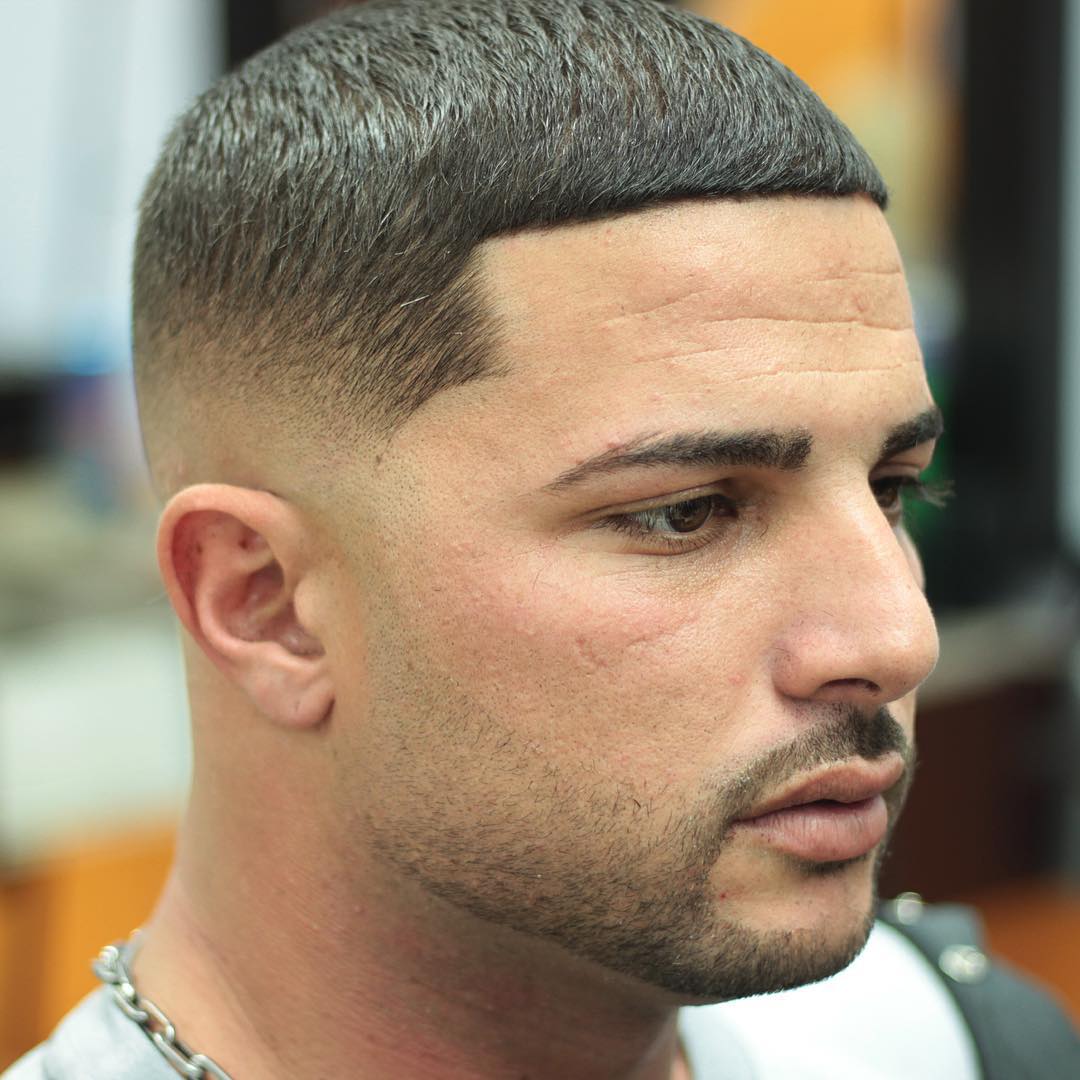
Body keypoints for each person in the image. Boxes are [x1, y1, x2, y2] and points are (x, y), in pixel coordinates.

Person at [7, 1, 1078, 1077]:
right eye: (685, 513)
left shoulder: (956, 1045)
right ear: (267, 604)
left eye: (892, 488)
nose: (899, 641)